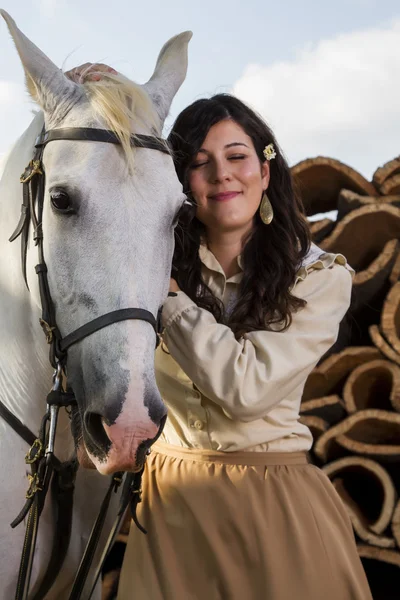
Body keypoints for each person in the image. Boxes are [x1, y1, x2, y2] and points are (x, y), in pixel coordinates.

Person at [68, 66, 372, 600]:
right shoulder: (149, 271)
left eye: (237, 157)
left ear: (266, 167)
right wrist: (117, 101)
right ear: (181, 180)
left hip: (277, 511)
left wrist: (167, 300)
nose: (222, 176)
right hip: (169, 516)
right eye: (199, 163)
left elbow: (246, 390)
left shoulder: (322, 277)